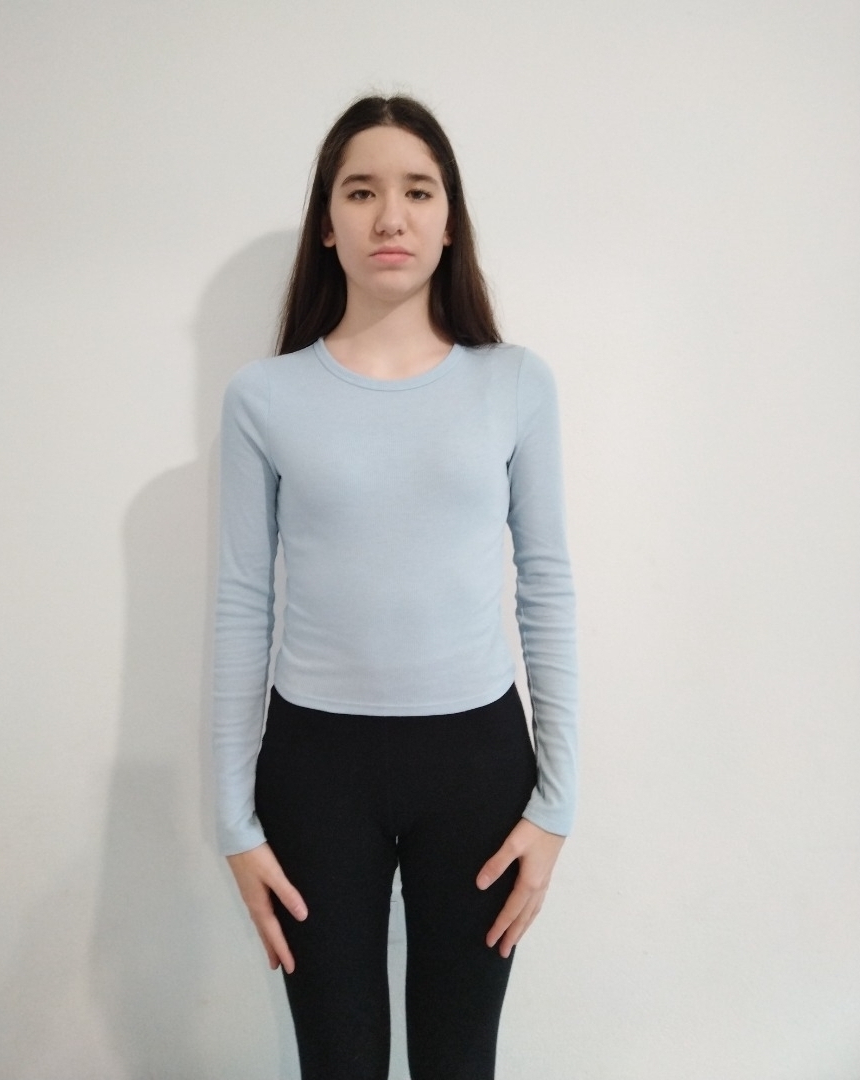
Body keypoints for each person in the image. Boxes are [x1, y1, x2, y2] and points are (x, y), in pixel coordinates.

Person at [213, 94, 577, 1080]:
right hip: (313, 771)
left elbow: (546, 588)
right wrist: (233, 822)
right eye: (360, 191)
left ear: (449, 220)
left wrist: (556, 805)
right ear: (326, 223)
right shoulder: (264, 398)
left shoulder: (513, 382)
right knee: (338, 1064)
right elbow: (242, 605)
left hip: (477, 768)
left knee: (458, 1063)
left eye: (417, 191)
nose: (390, 217)